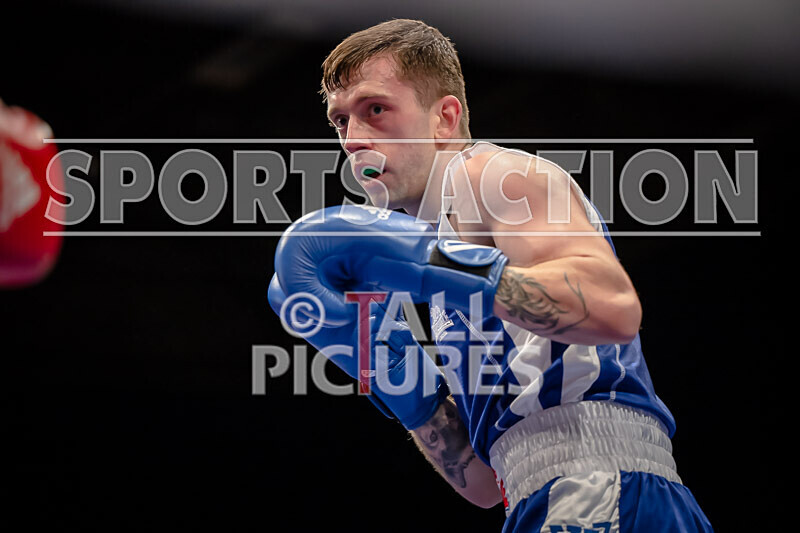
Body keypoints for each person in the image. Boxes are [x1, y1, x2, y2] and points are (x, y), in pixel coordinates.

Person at [269, 19, 712, 532]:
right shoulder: (441, 260)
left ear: (445, 118)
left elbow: (611, 308)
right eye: (341, 122)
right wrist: (394, 373)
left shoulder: (491, 176)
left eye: (375, 110)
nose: (354, 140)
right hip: (546, 497)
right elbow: (483, 483)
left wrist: (430, 264)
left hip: (601, 485)